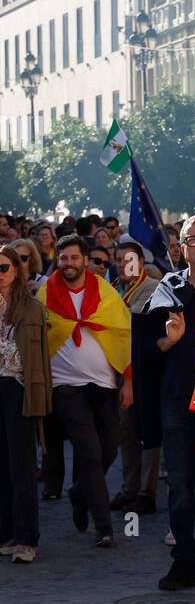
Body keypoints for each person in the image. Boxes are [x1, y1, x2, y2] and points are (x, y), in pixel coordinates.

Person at [137, 214, 195, 590]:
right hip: (177, 397)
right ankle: (184, 561)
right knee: (178, 483)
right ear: (181, 246)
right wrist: (169, 341)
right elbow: (146, 349)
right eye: (193, 239)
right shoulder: (167, 288)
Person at [37, 234, 132, 549]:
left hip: (104, 387)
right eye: (63, 258)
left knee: (108, 451)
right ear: (58, 259)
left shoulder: (104, 291)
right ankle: (104, 526)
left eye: (74, 258)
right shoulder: (45, 293)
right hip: (66, 388)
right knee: (89, 454)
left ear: (84, 260)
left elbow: (123, 334)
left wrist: (128, 381)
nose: (69, 264)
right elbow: (35, 339)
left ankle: (80, 492)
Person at [0, 245, 51, 563]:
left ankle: (26, 537)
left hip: (18, 388)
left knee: (21, 464)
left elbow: (41, 360)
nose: (0, 274)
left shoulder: (31, 308)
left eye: (4, 267)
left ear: (17, 270)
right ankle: (5, 531)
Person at [112, 241, 160, 516]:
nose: (123, 264)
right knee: (126, 432)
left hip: (146, 372)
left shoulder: (151, 289)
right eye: (118, 259)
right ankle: (129, 489)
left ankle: (146, 492)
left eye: (128, 259)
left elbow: (134, 324)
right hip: (120, 369)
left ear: (141, 262)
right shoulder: (114, 289)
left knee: (147, 433)